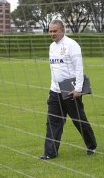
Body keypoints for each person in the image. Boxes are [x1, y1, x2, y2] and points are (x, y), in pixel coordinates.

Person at [39, 19, 97, 160]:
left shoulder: (72, 45)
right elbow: (54, 71)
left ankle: (91, 146)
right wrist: (52, 89)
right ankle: (50, 153)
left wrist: (78, 89)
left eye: (55, 31)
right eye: (50, 31)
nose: (52, 34)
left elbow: (79, 67)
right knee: (53, 122)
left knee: (79, 120)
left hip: (70, 90)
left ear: (62, 30)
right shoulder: (52, 47)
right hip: (55, 91)